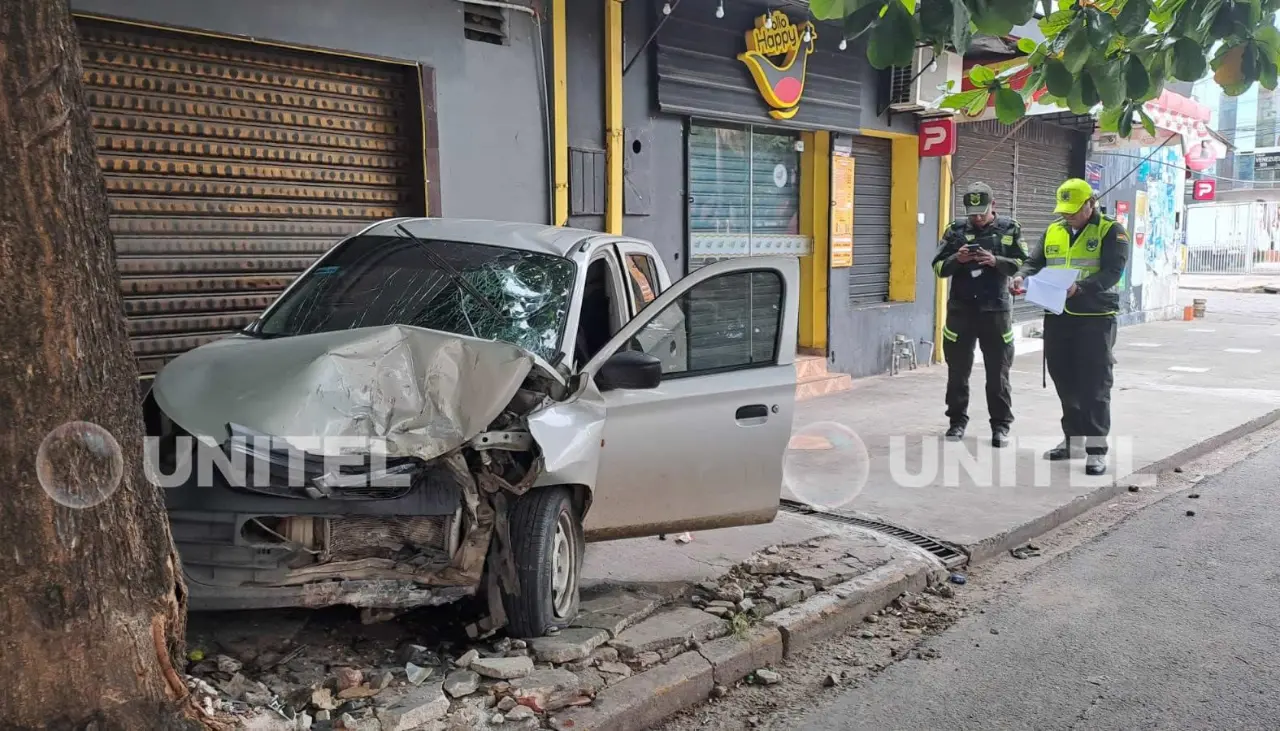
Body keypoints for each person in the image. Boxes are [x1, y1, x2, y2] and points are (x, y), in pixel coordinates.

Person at [1010, 178, 1130, 476]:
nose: (1068, 216)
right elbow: (1033, 263)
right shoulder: (1054, 229)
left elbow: (1113, 272)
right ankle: (1073, 441)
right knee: (1064, 380)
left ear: (1091, 202)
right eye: (1064, 211)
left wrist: (1083, 287)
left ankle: (1096, 449)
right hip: (1058, 316)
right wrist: (1020, 277)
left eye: (1074, 211)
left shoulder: (1111, 230)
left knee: (1095, 385)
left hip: (1095, 318)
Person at [931, 182, 1028, 448]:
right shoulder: (954, 230)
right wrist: (957, 260)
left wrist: (996, 261)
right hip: (961, 311)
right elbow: (938, 267)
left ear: (993, 206)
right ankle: (956, 422)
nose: (976, 218)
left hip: (995, 311)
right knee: (957, 372)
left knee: (998, 372)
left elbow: (1025, 263)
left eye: (981, 213)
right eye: (972, 213)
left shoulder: (1010, 229)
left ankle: (1000, 426)